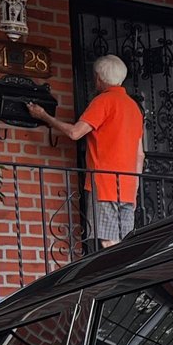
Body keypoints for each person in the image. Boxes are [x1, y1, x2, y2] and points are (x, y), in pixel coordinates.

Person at [31, 55, 144, 247]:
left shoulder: (104, 101)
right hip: (128, 185)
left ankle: (114, 277)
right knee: (124, 244)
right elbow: (140, 154)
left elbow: (75, 133)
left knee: (109, 243)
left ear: (98, 77)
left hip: (105, 183)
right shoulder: (134, 107)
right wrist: (135, 188)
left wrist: (44, 116)